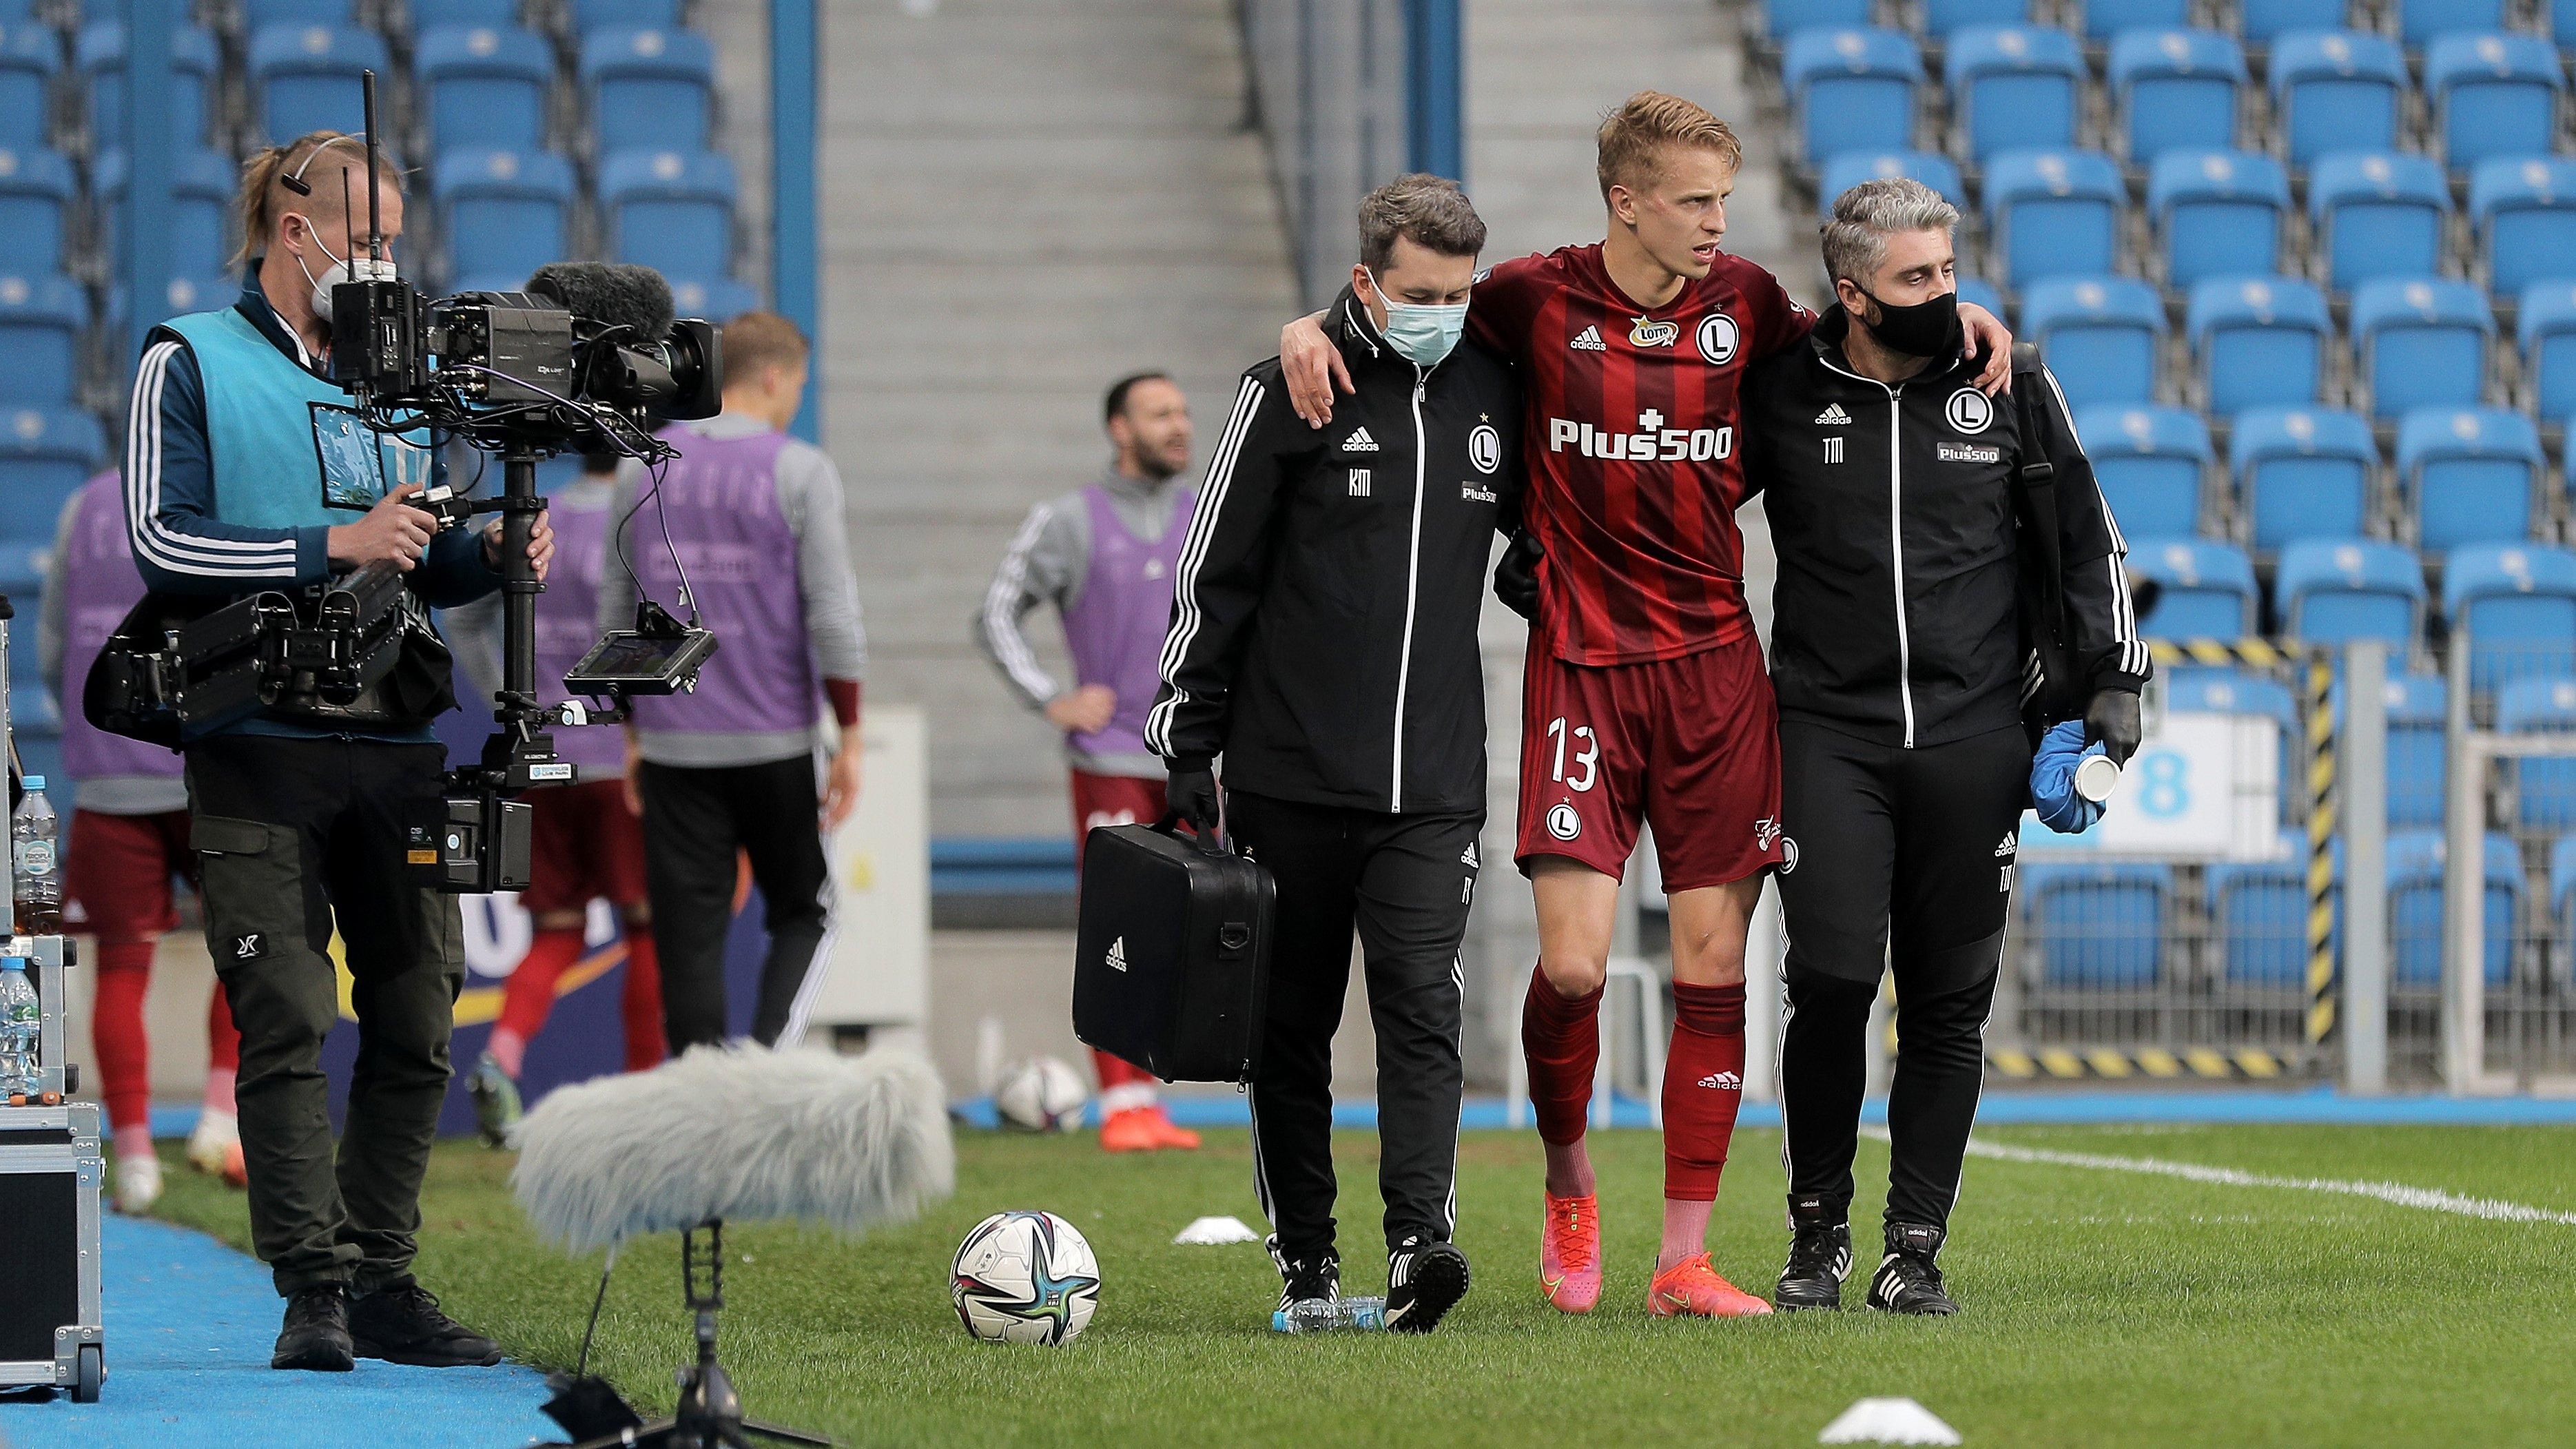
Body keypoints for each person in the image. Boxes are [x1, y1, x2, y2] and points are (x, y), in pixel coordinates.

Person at [1284, 92, 2015, 1319]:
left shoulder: (1752, 308)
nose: (1713, 223)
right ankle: (1569, 1182)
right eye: (1690, 200)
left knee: (1710, 962)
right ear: (1624, 199)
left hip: (1716, 675)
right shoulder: (1529, 298)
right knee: (1569, 971)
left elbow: (1872, 333)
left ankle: (1680, 1258)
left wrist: (1958, 315)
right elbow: (1413, 306)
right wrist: (1306, 323)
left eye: (1721, 200)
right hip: (1579, 664)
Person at [121, 132, 553, 1372]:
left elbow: (415, 559)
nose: (382, 260)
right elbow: (163, 538)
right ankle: (310, 1287)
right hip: (256, 739)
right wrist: (333, 545)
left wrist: (487, 559)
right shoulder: (184, 355)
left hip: (400, 737)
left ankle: (382, 1275)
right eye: (365, 236)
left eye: (394, 240)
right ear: (290, 222)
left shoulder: (402, 379)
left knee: (418, 1019)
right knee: (288, 1015)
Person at [1741, 178, 2144, 1314]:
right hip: (1825, 733)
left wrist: (2116, 681)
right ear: (1851, 289)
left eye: (1949, 270)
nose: (1946, 295)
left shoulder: (2007, 383)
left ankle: (1911, 1245)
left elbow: (2085, 537)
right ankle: (1812, 1229)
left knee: (1946, 1001)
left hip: (1974, 739)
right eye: (1917, 277)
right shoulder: (1778, 388)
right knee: (1823, 980)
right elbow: (1669, 495)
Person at [1152, 174, 1520, 1334]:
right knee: (1290, 1028)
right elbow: (1214, 572)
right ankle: (1304, 1263)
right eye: (1420, 293)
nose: (1443, 312)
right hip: (1286, 778)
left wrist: (1540, 571)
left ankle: (1420, 1245)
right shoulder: (1287, 389)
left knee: (1421, 1005)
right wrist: (1185, 743)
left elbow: (1540, 535)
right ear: (1365, 281)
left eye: (1460, 294)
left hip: (1432, 786)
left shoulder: (1492, 392)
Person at [597, 311, 867, 1052]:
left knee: (688, 936)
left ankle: (699, 1102)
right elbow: (833, 616)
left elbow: (616, 609)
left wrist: (631, 731)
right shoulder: (801, 469)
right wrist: (851, 735)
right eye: (799, 386)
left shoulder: (642, 464)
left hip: (675, 744)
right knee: (805, 914)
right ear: (775, 378)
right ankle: (765, 1069)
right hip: (775, 739)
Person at [976, 372, 1203, 1153]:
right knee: (1120, 929)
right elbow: (996, 611)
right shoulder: (1069, 519)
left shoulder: (1211, 512)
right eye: (1160, 414)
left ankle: (1162, 1095)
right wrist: (1051, 696)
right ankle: (1121, 1105)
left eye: (1180, 412)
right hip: (1108, 757)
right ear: (1119, 429)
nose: (1179, 425)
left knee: (1197, 930)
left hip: (1196, 756)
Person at [43, 469, 246, 1215]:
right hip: (207, 767)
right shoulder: (216, 496)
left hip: (108, 778)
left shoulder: (82, 504)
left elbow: (54, 644)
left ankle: (131, 1159)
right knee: (248, 943)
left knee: (123, 969)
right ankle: (220, 1120)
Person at [449, 451, 666, 1145]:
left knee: (557, 931)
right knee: (647, 929)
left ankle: (501, 1055)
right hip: (618, 755)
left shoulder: (537, 518)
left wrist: (514, 706)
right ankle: (644, 1097)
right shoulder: (644, 519)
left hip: (545, 755)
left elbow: (463, 623)